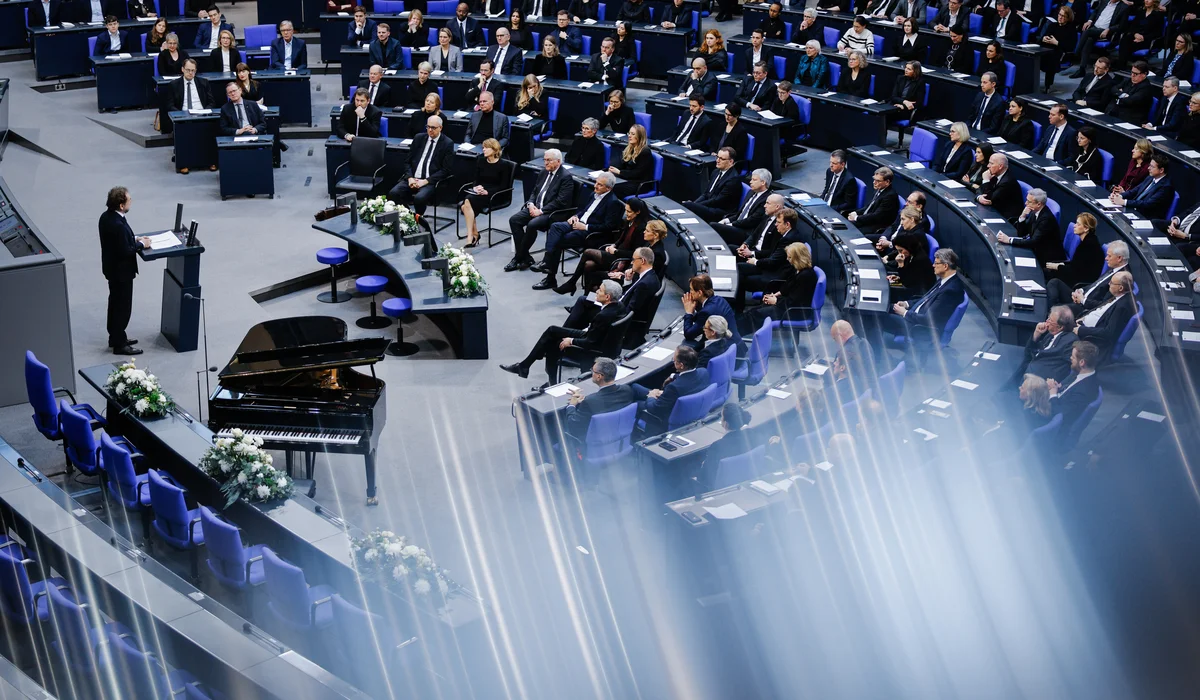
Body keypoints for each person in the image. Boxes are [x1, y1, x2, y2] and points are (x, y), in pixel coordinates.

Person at [501, 280, 628, 382]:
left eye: (600, 290)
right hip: (602, 342)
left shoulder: (603, 316)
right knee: (552, 330)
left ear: (607, 297)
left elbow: (590, 342)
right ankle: (524, 366)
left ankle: (549, 380)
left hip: (593, 350)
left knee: (552, 344)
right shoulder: (620, 306)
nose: (596, 291)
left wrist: (571, 341)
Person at [531, 173, 623, 289]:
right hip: (577, 223)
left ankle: (550, 278)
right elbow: (584, 211)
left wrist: (586, 227)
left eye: (600, 185)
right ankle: (547, 262)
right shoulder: (593, 194)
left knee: (558, 241)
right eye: (596, 182)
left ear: (608, 188)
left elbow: (609, 227)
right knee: (555, 226)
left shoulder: (613, 202)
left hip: (589, 233)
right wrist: (575, 216)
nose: (595, 186)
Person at [556, 203, 659, 294]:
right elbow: (621, 239)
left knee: (587, 252)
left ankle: (571, 283)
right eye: (626, 210)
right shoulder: (630, 222)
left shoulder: (641, 229)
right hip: (616, 253)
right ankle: (586, 297)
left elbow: (634, 253)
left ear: (638, 212)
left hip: (621, 259)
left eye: (629, 211)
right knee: (588, 265)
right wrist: (614, 245)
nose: (626, 213)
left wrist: (616, 251)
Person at [99, 187, 151, 356]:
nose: (131, 202)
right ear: (121, 205)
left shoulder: (107, 217)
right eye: (129, 200)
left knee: (114, 304)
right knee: (122, 308)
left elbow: (117, 241)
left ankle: (115, 337)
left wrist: (134, 238)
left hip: (111, 269)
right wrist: (142, 244)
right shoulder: (118, 225)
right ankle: (120, 345)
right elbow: (125, 251)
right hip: (122, 272)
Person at [885, 248, 966, 351]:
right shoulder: (945, 280)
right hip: (914, 315)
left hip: (919, 327)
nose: (933, 265)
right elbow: (925, 299)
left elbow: (929, 320)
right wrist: (906, 304)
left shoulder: (950, 291)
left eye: (936, 263)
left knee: (876, 315)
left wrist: (904, 313)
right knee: (883, 307)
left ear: (945, 266)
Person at [508, 148, 576, 271]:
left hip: (552, 212)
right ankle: (526, 257)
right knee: (514, 220)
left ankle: (518, 257)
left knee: (532, 224)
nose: (545, 163)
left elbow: (560, 202)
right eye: (544, 160)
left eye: (549, 160)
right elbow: (535, 191)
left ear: (558, 161)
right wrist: (530, 204)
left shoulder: (566, 177)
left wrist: (541, 211)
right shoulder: (543, 172)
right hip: (536, 207)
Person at [562, 356, 638, 452]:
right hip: (619, 441)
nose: (591, 373)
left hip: (594, 447)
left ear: (599, 376)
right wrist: (587, 400)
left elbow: (573, 426)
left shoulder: (590, 402)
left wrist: (572, 405)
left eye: (592, 371)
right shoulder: (627, 390)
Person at [738, 240, 819, 331]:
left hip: (794, 312)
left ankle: (735, 333)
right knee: (753, 312)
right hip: (786, 306)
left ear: (798, 258)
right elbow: (788, 287)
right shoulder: (798, 270)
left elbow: (795, 302)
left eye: (790, 257)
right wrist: (775, 295)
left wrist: (776, 300)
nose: (787, 259)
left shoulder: (806, 276)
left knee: (755, 315)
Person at [631, 345, 710, 435]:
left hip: (666, 416)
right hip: (683, 407)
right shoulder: (703, 372)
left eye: (674, 360)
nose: (673, 361)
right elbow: (689, 377)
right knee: (635, 387)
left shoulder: (673, 388)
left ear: (681, 365)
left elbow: (654, 409)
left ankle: (634, 435)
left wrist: (651, 396)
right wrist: (673, 376)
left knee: (636, 404)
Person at [388, 115, 454, 221]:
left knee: (419, 198)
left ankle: (417, 218)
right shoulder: (419, 138)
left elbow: (445, 170)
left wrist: (425, 181)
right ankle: (410, 216)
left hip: (429, 180)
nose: (430, 130)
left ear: (440, 128)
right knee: (393, 193)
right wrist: (410, 178)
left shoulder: (447, 143)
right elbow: (407, 161)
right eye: (428, 127)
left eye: (433, 128)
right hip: (413, 177)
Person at [1045, 240, 1129, 317]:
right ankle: (1051, 313)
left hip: (1085, 308)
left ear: (1119, 258)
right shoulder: (1114, 268)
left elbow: (1103, 305)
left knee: (1057, 310)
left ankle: (1052, 316)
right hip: (1082, 297)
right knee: (1054, 282)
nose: (1106, 258)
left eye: (1109, 256)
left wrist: (1083, 300)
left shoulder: (1121, 278)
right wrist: (1080, 291)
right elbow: (1095, 285)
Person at [696, 403, 761, 491]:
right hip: (745, 480)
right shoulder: (750, 434)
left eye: (722, 417)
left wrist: (704, 465)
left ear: (725, 424)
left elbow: (704, 477)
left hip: (719, 489)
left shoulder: (717, 446)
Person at [998, 188, 1065, 267]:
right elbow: (1022, 234)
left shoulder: (1046, 219)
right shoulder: (1035, 212)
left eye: (1029, 202)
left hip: (1048, 258)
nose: (1026, 203)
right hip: (1037, 249)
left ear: (1039, 204)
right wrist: (1023, 216)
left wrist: (1009, 240)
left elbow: (1033, 242)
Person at [1011, 306, 1079, 383]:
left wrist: (1060, 386)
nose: (1046, 321)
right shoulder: (1050, 335)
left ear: (1060, 327)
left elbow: (1076, 369)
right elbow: (1028, 353)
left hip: (1038, 384)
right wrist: (1036, 334)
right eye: (1048, 318)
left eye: (1050, 320)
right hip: (1026, 371)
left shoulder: (1069, 341)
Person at [458, 138, 505, 249]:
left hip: (494, 195)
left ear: (494, 149)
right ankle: (473, 235)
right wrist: (476, 187)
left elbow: (503, 186)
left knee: (465, 205)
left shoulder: (503, 165)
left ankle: (472, 236)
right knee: (467, 202)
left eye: (486, 148)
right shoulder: (481, 161)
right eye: (483, 147)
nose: (483, 150)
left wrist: (487, 192)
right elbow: (476, 179)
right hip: (479, 191)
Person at [712, 169, 773, 249]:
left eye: (754, 180)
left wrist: (731, 224)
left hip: (746, 231)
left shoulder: (767, 199)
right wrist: (727, 220)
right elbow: (740, 213)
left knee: (713, 225)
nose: (750, 182)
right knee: (717, 224)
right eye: (751, 179)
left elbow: (752, 220)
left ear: (763, 182)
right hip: (738, 225)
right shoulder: (751, 192)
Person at [1047, 341, 1101, 429]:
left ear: (1082, 362)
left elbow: (1060, 415)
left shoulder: (1084, 391)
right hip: (1055, 402)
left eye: (1073, 357)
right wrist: (1057, 387)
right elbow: (1066, 388)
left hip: (1052, 421)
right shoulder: (1078, 373)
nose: (1070, 358)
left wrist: (1053, 393)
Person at [166, 59, 212, 157]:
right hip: (183, 116)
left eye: (193, 70)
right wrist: (181, 114)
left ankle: (207, 157)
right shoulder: (174, 84)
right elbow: (170, 105)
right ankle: (183, 158)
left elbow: (211, 102)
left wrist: (205, 112)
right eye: (188, 70)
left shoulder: (204, 82)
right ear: (182, 69)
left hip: (202, 115)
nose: (190, 73)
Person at [1070, 0, 1126, 79]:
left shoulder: (1124, 7)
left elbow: (1121, 25)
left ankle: (1075, 53)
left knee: (1087, 32)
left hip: (1106, 32)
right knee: (1089, 40)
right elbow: (1095, 11)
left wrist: (1109, 29)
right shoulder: (1104, 1)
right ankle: (1082, 69)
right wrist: (1089, 21)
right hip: (1095, 28)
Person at [683, 147, 741, 221]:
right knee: (689, 205)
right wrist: (695, 203)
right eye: (717, 157)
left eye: (722, 159)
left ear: (731, 161)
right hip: (711, 205)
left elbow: (718, 201)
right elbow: (706, 193)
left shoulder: (733, 179)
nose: (717, 160)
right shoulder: (716, 172)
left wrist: (695, 205)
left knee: (689, 205)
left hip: (720, 211)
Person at [828, 320, 878, 405]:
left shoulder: (843, 353)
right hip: (870, 391)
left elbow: (835, 376)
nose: (835, 342)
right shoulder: (865, 343)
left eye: (834, 339)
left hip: (851, 397)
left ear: (840, 336)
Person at [1045, 213, 1103, 287]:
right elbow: (1077, 265)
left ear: (1086, 228)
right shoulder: (1088, 241)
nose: (1074, 226)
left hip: (1078, 282)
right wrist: (1061, 265)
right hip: (1076, 275)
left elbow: (1075, 271)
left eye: (1078, 224)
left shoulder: (1089, 245)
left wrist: (1057, 266)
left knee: (1047, 274)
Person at [683, 274, 740, 347]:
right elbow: (699, 319)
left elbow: (689, 334)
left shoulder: (706, 312)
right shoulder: (719, 299)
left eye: (691, 289)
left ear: (699, 293)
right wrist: (693, 308)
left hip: (723, 347)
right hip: (735, 344)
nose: (690, 292)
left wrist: (688, 312)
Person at [886, 229, 936, 301]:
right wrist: (898, 278)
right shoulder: (911, 253)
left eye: (901, 250)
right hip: (911, 283)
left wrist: (900, 264)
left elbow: (907, 283)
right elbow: (910, 275)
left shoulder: (920, 259)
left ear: (909, 247)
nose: (900, 253)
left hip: (918, 292)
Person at [849, 166, 899, 238]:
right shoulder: (879, 189)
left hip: (876, 225)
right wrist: (856, 213)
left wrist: (857, 218)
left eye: (878, 181)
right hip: (868, 219)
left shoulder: (890, 196)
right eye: (874, 179)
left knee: (853, 235)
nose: (874, 182)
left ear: (887, 182)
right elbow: (869, 206)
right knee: (845, 226)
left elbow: (877, 216)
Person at [607, 125, 655, 200]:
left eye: (633, 134)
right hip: (629, 180)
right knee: (606, 183)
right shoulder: (630, 148)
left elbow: (638, 173)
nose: (629, 136)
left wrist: (619, 172)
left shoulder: (645, 152)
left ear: (640, 136)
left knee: (613, 188)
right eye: (629, 133)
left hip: (640, 184)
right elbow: (622, 164)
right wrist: (612, 170)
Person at [1115, 0, 1165, 71]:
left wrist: (1143, 37)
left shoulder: (1158, 15)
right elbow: (1133, 27)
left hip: (1148, 40)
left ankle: (1121, 66)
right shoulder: (1141, 12)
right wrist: (1135, 34)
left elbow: (1157, 33)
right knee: (1124, 39)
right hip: (1136, 36)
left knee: (1130, 45)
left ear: (1154, 2)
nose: (1146, 1)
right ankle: (1122, 66)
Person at [1039, 6, 1078, 91]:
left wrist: (1056, 43)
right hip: (1046, 49)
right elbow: (1041, 39)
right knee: (1033, 57)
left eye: (1063, 16)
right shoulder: (1052, 25)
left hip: (1061, 52)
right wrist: (1043, 39)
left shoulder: (1071, 29)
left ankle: (1047, 86)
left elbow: (1070, 47)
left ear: (1068, 18)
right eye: (1059, 14)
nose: (1060, 17)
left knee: (1051, 58)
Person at [975, 153, 1023, 220]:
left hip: (1006, 217)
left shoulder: (1007, 181)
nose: (988, 166)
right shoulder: (995, 175)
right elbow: (979, 189)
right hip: (995, 209)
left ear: (1000, 166)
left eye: (991, 163)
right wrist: (979, 197)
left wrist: (986, 180)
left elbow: (988, 198)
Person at [820, 149, 858, 214]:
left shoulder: (849, 180)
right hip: (824, 204)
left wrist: (830, 208)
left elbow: (849, 204)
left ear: (842, 164)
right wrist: (820, 200)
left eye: (834, 163)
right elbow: (827, 189)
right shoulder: (829, 171)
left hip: (834, 209)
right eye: (830, 162)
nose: (831, 165)